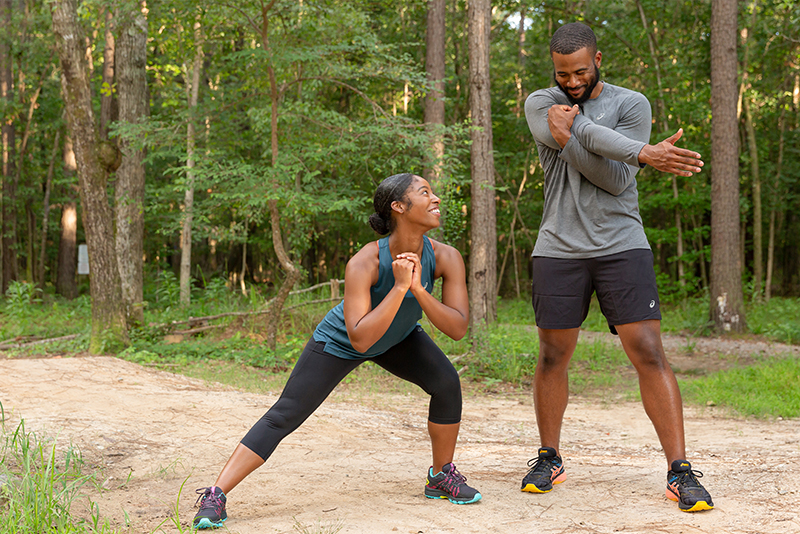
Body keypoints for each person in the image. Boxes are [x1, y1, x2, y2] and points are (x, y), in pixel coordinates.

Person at [192, 173, 482, 529]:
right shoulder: (366, 262)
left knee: (446, 382)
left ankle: (440, 476)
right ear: (399, 207)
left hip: (399, 336)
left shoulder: (446, 257)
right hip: (343, 340)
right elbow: (360, 338)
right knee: (286, 413)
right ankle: (216, 495)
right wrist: (400, 287)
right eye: (425, 193)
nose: (436, 198)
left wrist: (420, 291)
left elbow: (456, 328)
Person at [521, 22, 713, 513]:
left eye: (580, 71)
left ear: (598, 59)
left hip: (621, 244)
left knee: (649, 351)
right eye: (563, 73)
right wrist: (643, 153)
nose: (570, 82)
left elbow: (611, 178)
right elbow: (593, 151)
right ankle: (549, 457)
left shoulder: (632, 104)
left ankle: (680, 470)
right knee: (551, 356)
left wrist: (582, 134)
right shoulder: (540, 103)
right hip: (558, 246)